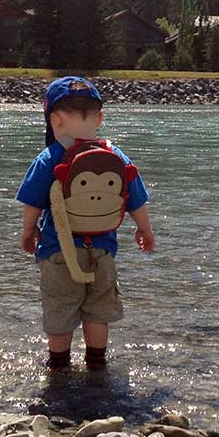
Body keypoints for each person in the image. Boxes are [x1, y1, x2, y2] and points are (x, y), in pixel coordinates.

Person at [16, 76, 154, 370]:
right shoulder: (114, 154)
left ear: (55, 119)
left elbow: (32, 203)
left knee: (60, 309)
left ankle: (59, 367)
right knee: (98, 311)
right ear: (99, 118)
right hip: (102, 254)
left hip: (58, 253)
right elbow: (135, 199)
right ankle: (96, 364)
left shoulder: (49, 158)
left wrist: (29, 231)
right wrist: (145, 229)